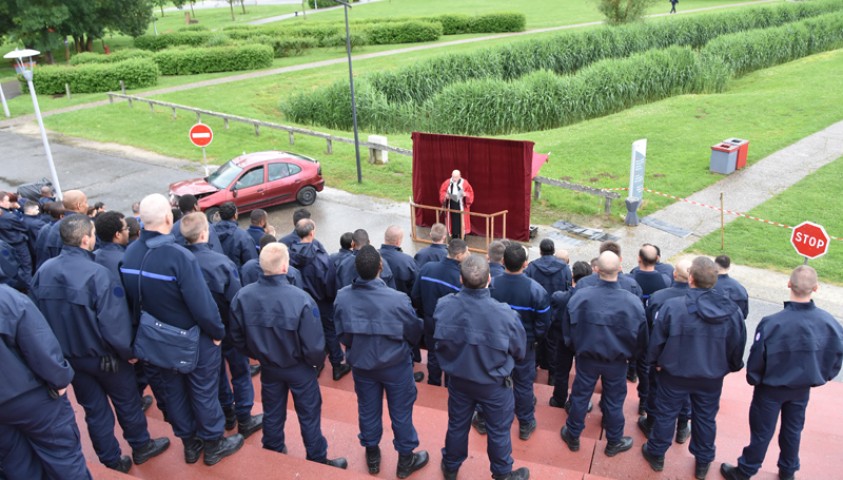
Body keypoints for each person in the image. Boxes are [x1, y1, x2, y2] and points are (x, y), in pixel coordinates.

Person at [30, 214, 170, 473]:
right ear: (85, 239)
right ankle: (141, 445)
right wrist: (128, 352)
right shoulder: (98, 274)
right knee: (127, 402)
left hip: (71, 360)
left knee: (94, 411)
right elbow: (113, 323)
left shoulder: (43, 272)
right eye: (93, 234)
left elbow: (37, 322)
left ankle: (111, 459)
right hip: (107, 358)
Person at [120, 194, 244, 466]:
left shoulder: (129, 254)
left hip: (154, 341)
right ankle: (213, 444)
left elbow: (130, 302)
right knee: (203, 391)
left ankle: (190, 444)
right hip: (190, 339)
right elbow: (202, 305)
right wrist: (217, 332)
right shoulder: (179, 256)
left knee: (173, 393)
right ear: (168, 218)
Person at [229, 243, 348, 469]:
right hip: (299, 368)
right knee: (309, 413)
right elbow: (314, 346)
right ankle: (316, 456)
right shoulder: (301, 299)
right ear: (285, 266)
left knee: (273, 411)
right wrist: (313, 365)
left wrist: (257, 354)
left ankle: (273, 450)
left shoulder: (242, 297)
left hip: (269, 367)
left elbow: (237, 338)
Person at [721, 266, 843, 480]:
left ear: (788, 284)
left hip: (770, 389)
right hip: (801, 390)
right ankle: (788, 471)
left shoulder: (772, 322)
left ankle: (746, 470)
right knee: (793, 431)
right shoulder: (830, 323)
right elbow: (836, 355)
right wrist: (824, 376)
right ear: (816, 288)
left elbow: (757, 357)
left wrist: (755, 379)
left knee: (761, 432)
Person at [641, 257, 746, 480]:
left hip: (675, 374)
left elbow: (657, 340)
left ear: (690, 278)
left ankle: (657, 453)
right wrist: (729, 367)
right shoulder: (732, 311)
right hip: (709, 377)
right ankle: (703, 460)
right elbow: (738, 346)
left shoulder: (673, 307)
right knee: (705, 417)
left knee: (666, 414)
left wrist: (654, 363)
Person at [333, 245, 429, 478]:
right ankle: (405, 459)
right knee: (401, 412)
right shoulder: (397, 299)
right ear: (380, 267)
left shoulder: (343, 297)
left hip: (363, 365)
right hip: (394, 365)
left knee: (368, 409)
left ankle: (372, 454)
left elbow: (342, 333)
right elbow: (414, 331)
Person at [434, 254, 529, 480]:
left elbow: (439, 342)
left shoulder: (444, 306)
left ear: (460, 279)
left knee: (457, 424)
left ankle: (450, 465)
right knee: (498, 430)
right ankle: (502, 473)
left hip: (459, 380)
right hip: (493, 384)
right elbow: (520, 351)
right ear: (489, 279)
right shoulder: (506, 315)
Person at [181, 213, 263, 440]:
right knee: (240, 372)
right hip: (227, 329)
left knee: (216, 375)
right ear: (204, 233)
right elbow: (236, 301)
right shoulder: (221, 263)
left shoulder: (178, 263)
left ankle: (228, 413)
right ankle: (245, 417)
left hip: (199, 332)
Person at [0, 283, 91, 480]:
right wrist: (60, 380)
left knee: (15, 464)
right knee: (64, 459)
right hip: (32, 399)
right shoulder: (9, 299)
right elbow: (40, 347)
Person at [560, 251, 646, 458]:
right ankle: (614, 441)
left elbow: (567, 331)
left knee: (580, 396)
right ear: (619, 268)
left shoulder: (580, 296)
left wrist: (576, 348)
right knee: (615, 401)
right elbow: (641, 339)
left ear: (596, 269)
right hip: (616, 361)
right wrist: (631, 358)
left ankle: (573, 435)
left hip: (587, 358)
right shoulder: (633, 303)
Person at [485, 245, 549, 441]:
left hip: (497, 343)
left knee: (492, 380)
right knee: (523, 384)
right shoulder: (536, 290)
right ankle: (525, 423)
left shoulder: (491, 285)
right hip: (524, 346)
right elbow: (543, 323)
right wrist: (533, 340)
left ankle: (484, 418)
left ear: (502, 262)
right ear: (526, 264)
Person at [637, 259, 693, 444]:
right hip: (688, 357)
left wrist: (650, 357)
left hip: (660, 355)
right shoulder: (701, 301)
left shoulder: (659, 297)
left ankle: (651, 423)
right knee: (685, 392)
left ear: (674, 275)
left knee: (655, 389)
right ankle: (682, 427)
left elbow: (647, 326)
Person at [289, 218, 351, 381]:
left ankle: (315, 364)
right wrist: (332, 299)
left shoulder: (289, 252)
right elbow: (329, 284)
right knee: (330, 331)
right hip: (321, 302)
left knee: (307, 332)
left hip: (299, 302)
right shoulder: (320, 259)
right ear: (312, 232)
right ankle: (337, 365)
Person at [411, 239, 469, 386]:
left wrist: (426, 312)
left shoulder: (427, 268)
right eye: (466, 252)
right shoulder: (461, 278)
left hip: (430, 320)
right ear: (459, 256)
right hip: (452, 325)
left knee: (433, 353)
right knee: (451, 356)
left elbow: (415, 295)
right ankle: (449, 385)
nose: (469, 254)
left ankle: (434, 382)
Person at [629, 244, 673, 412]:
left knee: (634, 357)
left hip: (634, 326)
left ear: (639, 259)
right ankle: (643, 403)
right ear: (657, 259)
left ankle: (631, 373)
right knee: (647, 367)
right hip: (653, 330)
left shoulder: (632, 278)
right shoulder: (665, 281)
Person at [547, 261, 592, 410]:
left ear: (572, 275)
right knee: (583, 373)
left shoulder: (559, 297)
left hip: (563, 339)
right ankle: (576, 400)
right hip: (584, 341)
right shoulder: (592, 299)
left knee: (562, 371)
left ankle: (559, 398)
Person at [36, 189, 88, 269]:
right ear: (78, 205)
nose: (87, 205)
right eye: (85, 202)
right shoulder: (83, 226)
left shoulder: (53, 227)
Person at [0, 192, 33, 288]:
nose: (10, 203)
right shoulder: (9, 217)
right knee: (26, 265)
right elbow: (25, 227)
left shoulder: (5, 214)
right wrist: (18, 208)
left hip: (5, 244)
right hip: (17, 243)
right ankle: (29, 286)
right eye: (7, 201)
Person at [213, 202, 257, 268]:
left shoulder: (210, 232)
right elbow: (252, 263)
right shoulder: (243, 236)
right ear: (235, 215)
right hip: (237, 275)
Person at [380, 225, 418, 295]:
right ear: (398, 242)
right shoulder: (408, 261)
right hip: (402, 302)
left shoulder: (372, 257)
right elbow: (416, 287)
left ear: (385, 238)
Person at [93, 211, 129, 283]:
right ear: (117, 234)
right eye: (126, 228)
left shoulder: (91, 256)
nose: (128, 231)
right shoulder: (127, 260)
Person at [439, 170, 474, 240]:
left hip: (462, 205)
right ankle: (454, 237)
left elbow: (470, 193)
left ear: (460, 176)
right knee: (454, 222)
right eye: (453, 177)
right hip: (451, 205)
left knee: (462, 222)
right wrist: (445, 196)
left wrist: (465, 194)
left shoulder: (465, 183)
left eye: (456, 177)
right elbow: (442, 192)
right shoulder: (447, 182)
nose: (454, 179)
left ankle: (462, 237)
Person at [714, 254, 749, 319]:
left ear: (714, 266)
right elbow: (744, 314)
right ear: (729, 267)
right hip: (734, 325)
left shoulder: (708, 286)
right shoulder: (740, 288)